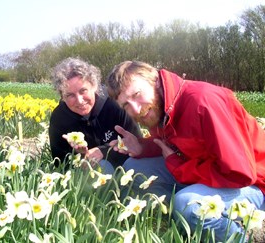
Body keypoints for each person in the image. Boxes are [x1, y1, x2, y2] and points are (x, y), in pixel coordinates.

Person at [105, 60, 265, 241]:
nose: (136, 109)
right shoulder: (160, 107)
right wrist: (141, 147)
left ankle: (241, 235)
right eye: (126, 104)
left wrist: (178, 167)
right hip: (210, 173)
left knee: (187, 205)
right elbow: (171, 144)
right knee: (133, 167)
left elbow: (240, 174)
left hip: (254, 184)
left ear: (155, 81)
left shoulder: (203, 103)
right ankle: (190, 217)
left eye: (137, 94)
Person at [48, 57, 142, 174]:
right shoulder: (59, 118)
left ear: (94, 86)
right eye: (70, 95)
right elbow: (61, 164)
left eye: (83, 91)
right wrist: (79, 155)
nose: (79, 100)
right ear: (62, 96)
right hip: (93, 177)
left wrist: (103, 151)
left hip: (126, 167)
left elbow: (138, 143)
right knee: (100, 168)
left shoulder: (115, 104)